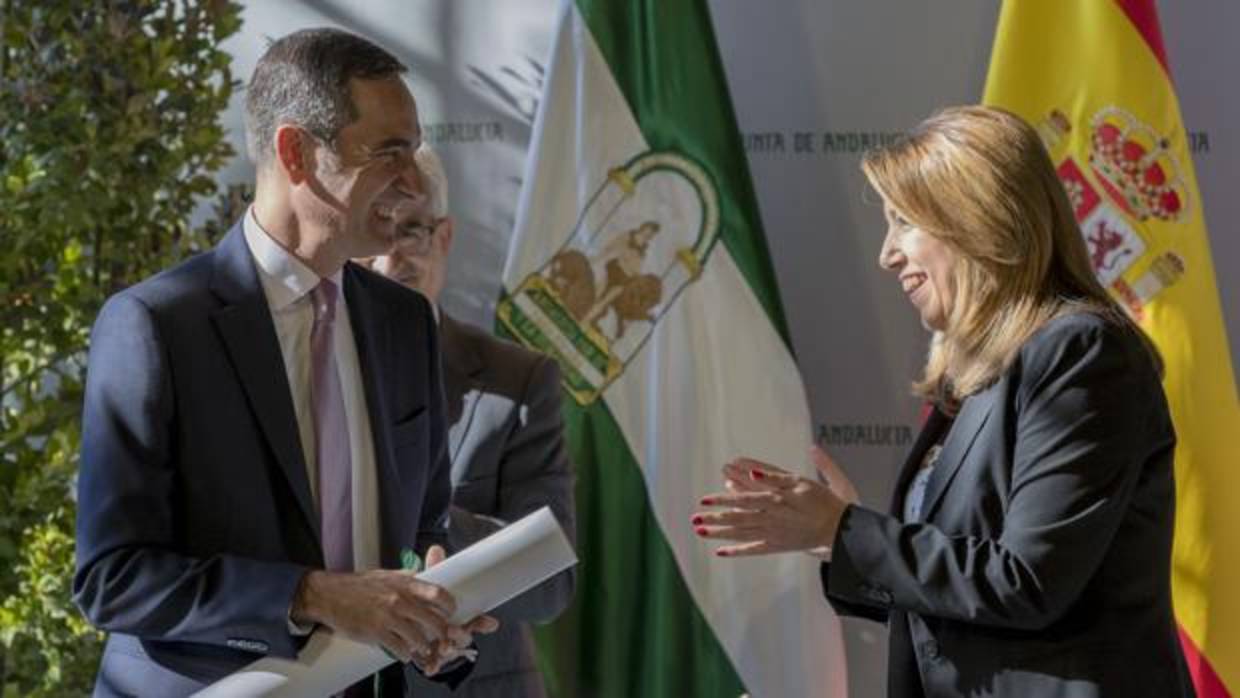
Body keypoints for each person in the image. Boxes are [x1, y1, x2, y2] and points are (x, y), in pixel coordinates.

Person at [692, 106, 1195, 697]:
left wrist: (851, 534)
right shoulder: (979, 375)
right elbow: (964, 610)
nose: (886, 253)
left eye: (903, 221)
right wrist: (838, 538)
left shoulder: (1082, 352)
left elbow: (1027, 582)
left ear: (976, 217)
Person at [73, 28, 496, 697]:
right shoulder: (155, 326)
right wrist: (314, 596)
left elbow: (423, 528)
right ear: (296, 153)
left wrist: (433, 607)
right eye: (389, 153)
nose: (414, 184)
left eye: (412, 152)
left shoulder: (404, 321)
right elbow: (113, 579)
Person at [362, 145, 576, 698]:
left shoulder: (518, 383)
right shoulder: (298, 380)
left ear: (445, 237)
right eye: (373, 232)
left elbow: (551, 584)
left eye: (410, 229)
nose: (389, 259)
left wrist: (411, 508)